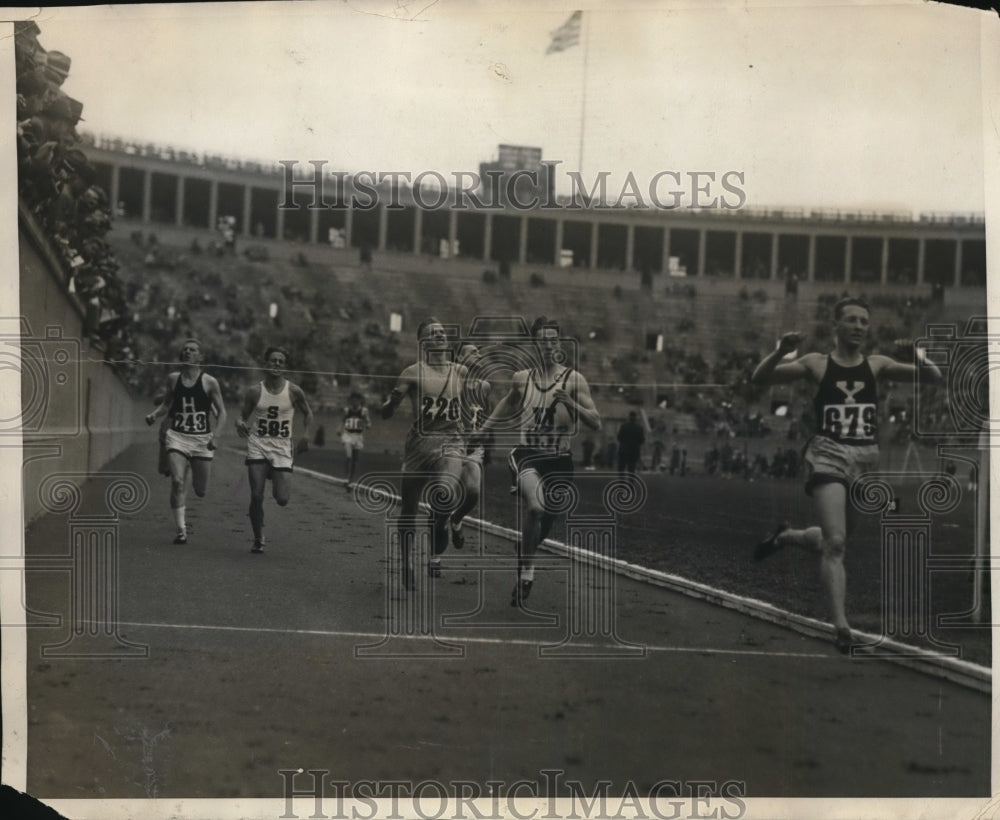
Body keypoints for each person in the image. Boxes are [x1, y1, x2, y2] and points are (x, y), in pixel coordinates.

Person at [749, 297, 941, 653]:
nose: (858, 327)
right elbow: (759, 378)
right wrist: (779, 352)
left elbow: (934, 379)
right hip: (829, 453)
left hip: (865, 459)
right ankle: (842, 627)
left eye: (863, 322)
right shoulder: (815, 363)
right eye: (851, 320)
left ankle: (785, 536)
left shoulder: (878, 364)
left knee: (830, 541)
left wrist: (919, 357)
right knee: (835, 544)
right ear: (835, 326)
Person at [479, 316, 601, 606]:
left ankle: (525, 551)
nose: (548, 345)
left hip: (559, 460)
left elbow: (596, 421)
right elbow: (507, 402)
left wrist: (570, 403)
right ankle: (527, 573)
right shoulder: (522, 379)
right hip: (527, 455)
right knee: (535, 508)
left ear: (558, 344)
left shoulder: (573, 380)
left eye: (553, 340)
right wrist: (484, 430)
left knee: (545, 522)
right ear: (535, 344)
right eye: (543, 340)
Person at [381, 319, 473, 589]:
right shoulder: (412, 372)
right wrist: (392, 402)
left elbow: (468, 407)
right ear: (423, 343)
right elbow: (385, 413)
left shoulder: (461, 372)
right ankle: (406, 562)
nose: (439, 336)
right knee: (408, 508)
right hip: (419, 444)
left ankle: (442, 521)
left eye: (442, 332)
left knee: (445, 493)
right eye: (433, 334)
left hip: (451, 441)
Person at [144, 338, 227, 544]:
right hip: (177, 436)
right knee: (177, 481)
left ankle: (192, 477)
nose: (188, 352)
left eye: (193, 350)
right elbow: (167, 404)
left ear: (200, 357)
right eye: (185, 350)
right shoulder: (173, 379)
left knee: (200, 490)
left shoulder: (210, 382)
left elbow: (222, 412)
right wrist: (154, 415)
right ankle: (181, 530)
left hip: (201, 441)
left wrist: (216, 436)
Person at [235, 346, 314, 553]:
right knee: (257, 495)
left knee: (282, 499)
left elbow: (308, 414)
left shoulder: (294, 391)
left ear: (285, 366)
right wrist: (240, 423)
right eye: (273, 360)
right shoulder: (254, 391)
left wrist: (306, 435)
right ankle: (258, 537)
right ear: (266, 364)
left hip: (281, 447)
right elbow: (242, 416)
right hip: (258, 444)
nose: (276, 364)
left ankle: (273, 471)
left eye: (280, 361)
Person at [339, 391, 371, 490]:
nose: (355, 402)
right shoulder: (347, 410)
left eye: (357, 400)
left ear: (360, 401)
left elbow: (368, 421)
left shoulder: (364, 411)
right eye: (353, 400)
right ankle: (345, 478)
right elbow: (343, 420)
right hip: (348, 435)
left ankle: (351, 480)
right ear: (351, 401)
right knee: (349, 456)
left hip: (358, 436)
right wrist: (339, 428)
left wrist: (369, 424)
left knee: (355, 460)